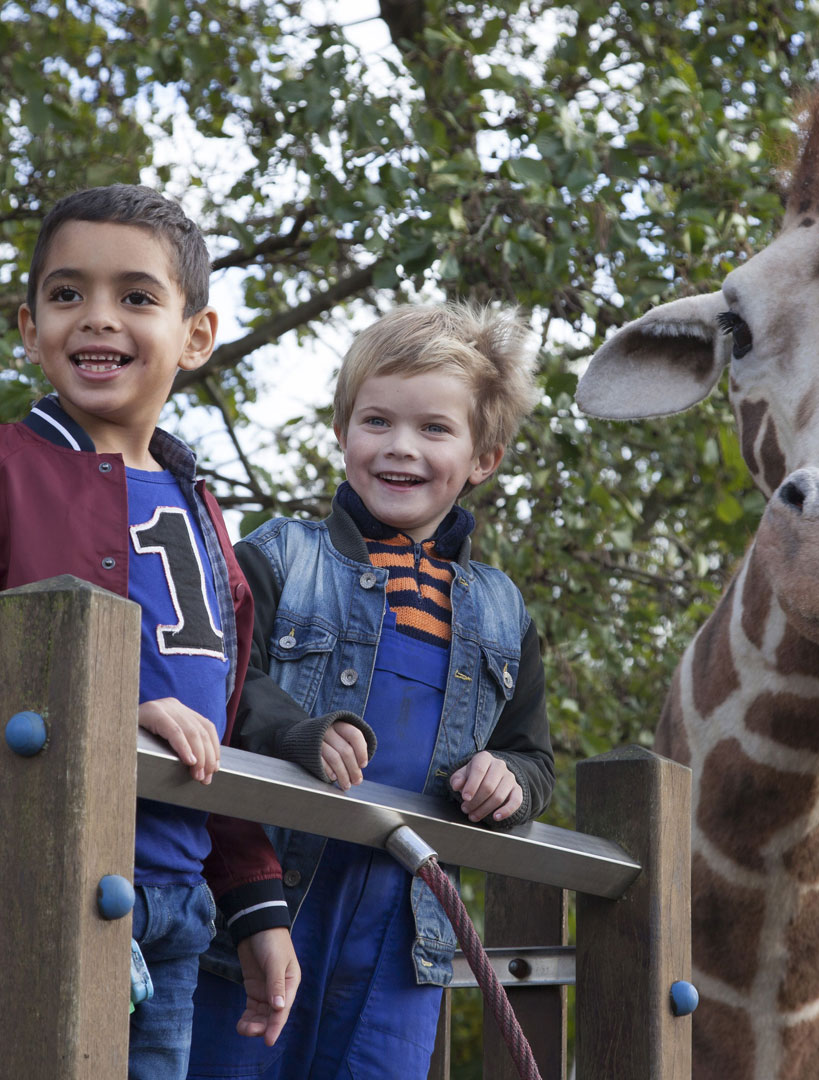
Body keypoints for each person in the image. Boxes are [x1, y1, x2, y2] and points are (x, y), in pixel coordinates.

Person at [0, 184, 309, 1080]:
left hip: (175, 903)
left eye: (137, 296)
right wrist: (109, 706)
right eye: (67, 293)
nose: (98, 317)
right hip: (31, 879)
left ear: (196, 335)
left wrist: (256, 902)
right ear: (29, 327)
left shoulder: (203, 514)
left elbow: (216, 731)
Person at [187, 303, 555, 1079]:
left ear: (483, 457)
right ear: (341, 430)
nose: (400, 447)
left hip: (404, 929)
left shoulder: (504, 613)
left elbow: (532, 755)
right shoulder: (279, 558)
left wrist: (511, 781)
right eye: (377, 421)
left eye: (434, 429)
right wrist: (299, 732)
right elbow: (217, 679)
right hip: (269, 898)